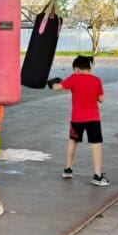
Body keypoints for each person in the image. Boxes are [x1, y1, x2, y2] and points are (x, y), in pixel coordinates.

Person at [48, 55, 109, 186]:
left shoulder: (74, 78)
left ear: (77, 69)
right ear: (89, 68)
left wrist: (52, 83)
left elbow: (57, 88)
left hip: (77, 118)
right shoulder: (97, 80)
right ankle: (97, 175)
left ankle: (68, 169)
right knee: (96, 145)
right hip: (93, 118)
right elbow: (101, 99)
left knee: (73, 142)